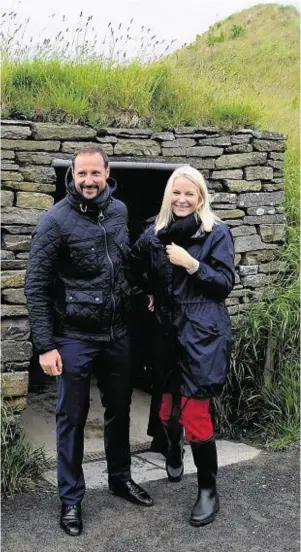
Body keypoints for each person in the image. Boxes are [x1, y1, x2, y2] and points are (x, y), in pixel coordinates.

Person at [24, 144, 153, 538]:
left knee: (120, 408)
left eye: (95, 174)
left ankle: (119, 477)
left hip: (116, 332)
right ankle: (71, 499)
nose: (89, 181)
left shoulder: (119, 211)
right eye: (82, 174)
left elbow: (122, 260)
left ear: (107, 172)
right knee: (71, 418)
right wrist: (45, 346)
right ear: (72, 176)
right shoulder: (55, 221)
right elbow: (36, 286)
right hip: (74, 336)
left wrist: (141, 288)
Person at [129, 165, 235, 527]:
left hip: (203, 333)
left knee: (195, 413)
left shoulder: (216, 233)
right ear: (168, 196)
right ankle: (172, 447)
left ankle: (208, 490)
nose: (182, 199)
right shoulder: (153, 234)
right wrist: (147, 292)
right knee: (165, 411)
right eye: (176, 192)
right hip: (165, 333)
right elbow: (132, 268)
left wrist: (193, 265)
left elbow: (223, 284)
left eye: (190, 193)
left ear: (201, 196)